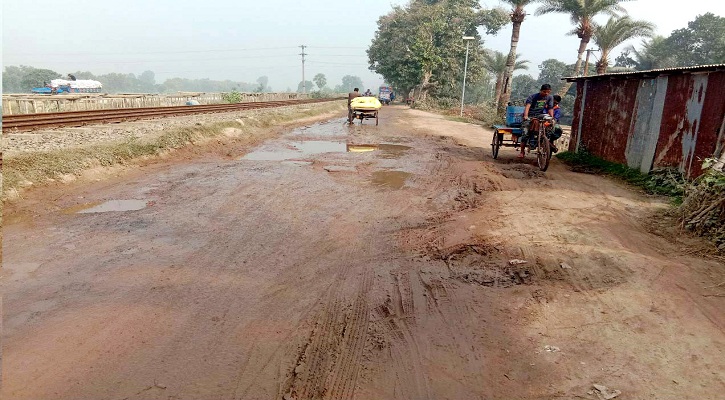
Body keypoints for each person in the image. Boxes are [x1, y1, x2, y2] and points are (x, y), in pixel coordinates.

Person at [518, 84, 554, 158]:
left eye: (548, 92)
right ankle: (522, 151)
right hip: (530, 115)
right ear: (540, 90)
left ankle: (545, 143)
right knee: (525, 132)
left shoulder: (550, 98)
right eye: (544, 92)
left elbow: (550, 108)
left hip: (540, 115)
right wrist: (525, 116)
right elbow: (527, 106)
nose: (546, 93)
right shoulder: (533, 97)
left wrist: (551, 117)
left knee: (549, 128)